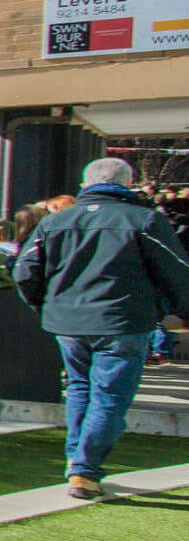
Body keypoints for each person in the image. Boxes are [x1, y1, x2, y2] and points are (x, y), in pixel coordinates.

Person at [15, 156, 189, 498]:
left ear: (84, 185)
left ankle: (77, 463)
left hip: (69, 321)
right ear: (127, 184)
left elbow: (24, 271)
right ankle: (84, 468)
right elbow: (177, 273)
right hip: (122, 321)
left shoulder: (56, 222)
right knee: (109, 396)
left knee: (81, 388)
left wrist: (44, 306)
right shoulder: (144, 220)